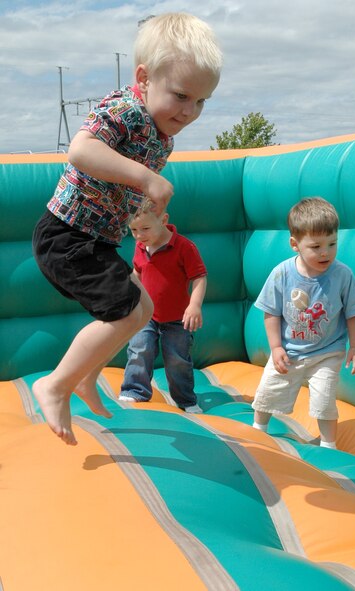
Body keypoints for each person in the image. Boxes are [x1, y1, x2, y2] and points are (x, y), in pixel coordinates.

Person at [31, 13, 222, 445]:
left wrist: (144, 206)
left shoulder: (162, 132)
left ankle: (86, 377)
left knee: (145, 310)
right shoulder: (125, 109)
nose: (190, 112)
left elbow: (122, 189)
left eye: (201, 102)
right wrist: (145, 178)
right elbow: (81, 150)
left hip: (96, 240)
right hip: (66, 236)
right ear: (144, 77)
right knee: (122, 309)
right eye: (181, 96)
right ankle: (55, 385)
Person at [252, 197, 355, 449]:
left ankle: (329, 445)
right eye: (316, 246)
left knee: (325, 399)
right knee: (268, 391)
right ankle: (258, 431)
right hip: (289, 351)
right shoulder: (282, 273)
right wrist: (276, 347)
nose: (325, 252)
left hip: (328, 352)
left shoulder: (342, 275)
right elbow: (271, 312)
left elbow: (354, 312)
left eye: (332, 243)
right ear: (295, 244)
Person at [118, 205, 207, 412]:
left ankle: (186, 400)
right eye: (133, 231)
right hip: (146, 315)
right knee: (139, 349)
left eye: (145, 229)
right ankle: (134, 391)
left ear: (163, 220)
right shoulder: (141, 246)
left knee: (177, 359)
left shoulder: (184, 247)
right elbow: (138, 273)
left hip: (177, 318)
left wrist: (194, 305)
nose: (139, 235)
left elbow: (199, 277)